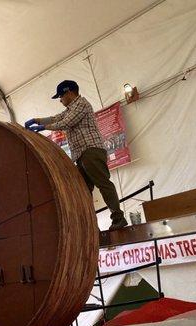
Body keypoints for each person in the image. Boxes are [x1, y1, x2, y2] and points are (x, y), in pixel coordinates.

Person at [25, 80, 128, 230]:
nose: (60, 100)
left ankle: (118, 218)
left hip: (90, 151)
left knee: (103, 183)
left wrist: (43, 127)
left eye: (61, 96)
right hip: (81, 155)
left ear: (69, 92)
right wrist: (37, 120)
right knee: (84, 191)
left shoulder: (81, 104)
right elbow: (56, 118)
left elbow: (66, 123)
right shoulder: (71, 108)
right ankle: (92, 226)